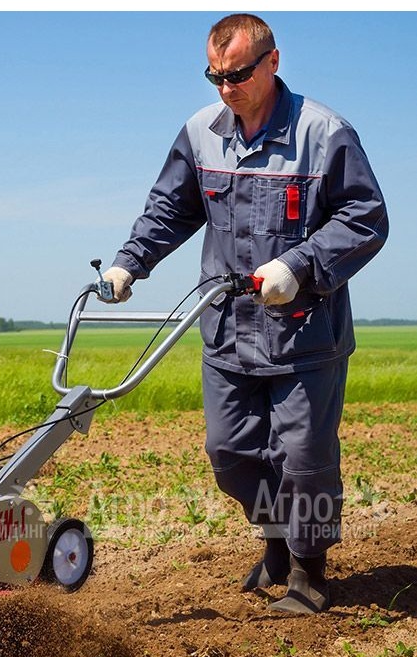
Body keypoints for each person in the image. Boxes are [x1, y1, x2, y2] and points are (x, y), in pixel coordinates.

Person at [101, 13, 388, 614]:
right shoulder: (200, 133)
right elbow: (171, 208)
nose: (226, 87)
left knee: (304, 459)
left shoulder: (324, 132)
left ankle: (309, 571)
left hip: (305, 333)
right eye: (215, 76)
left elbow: (365, 218)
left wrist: (299, 265)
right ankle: (277, 540)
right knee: (230, 454)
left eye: (237, 74)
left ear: (272, 62)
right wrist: (130, 263)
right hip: (228, 330)